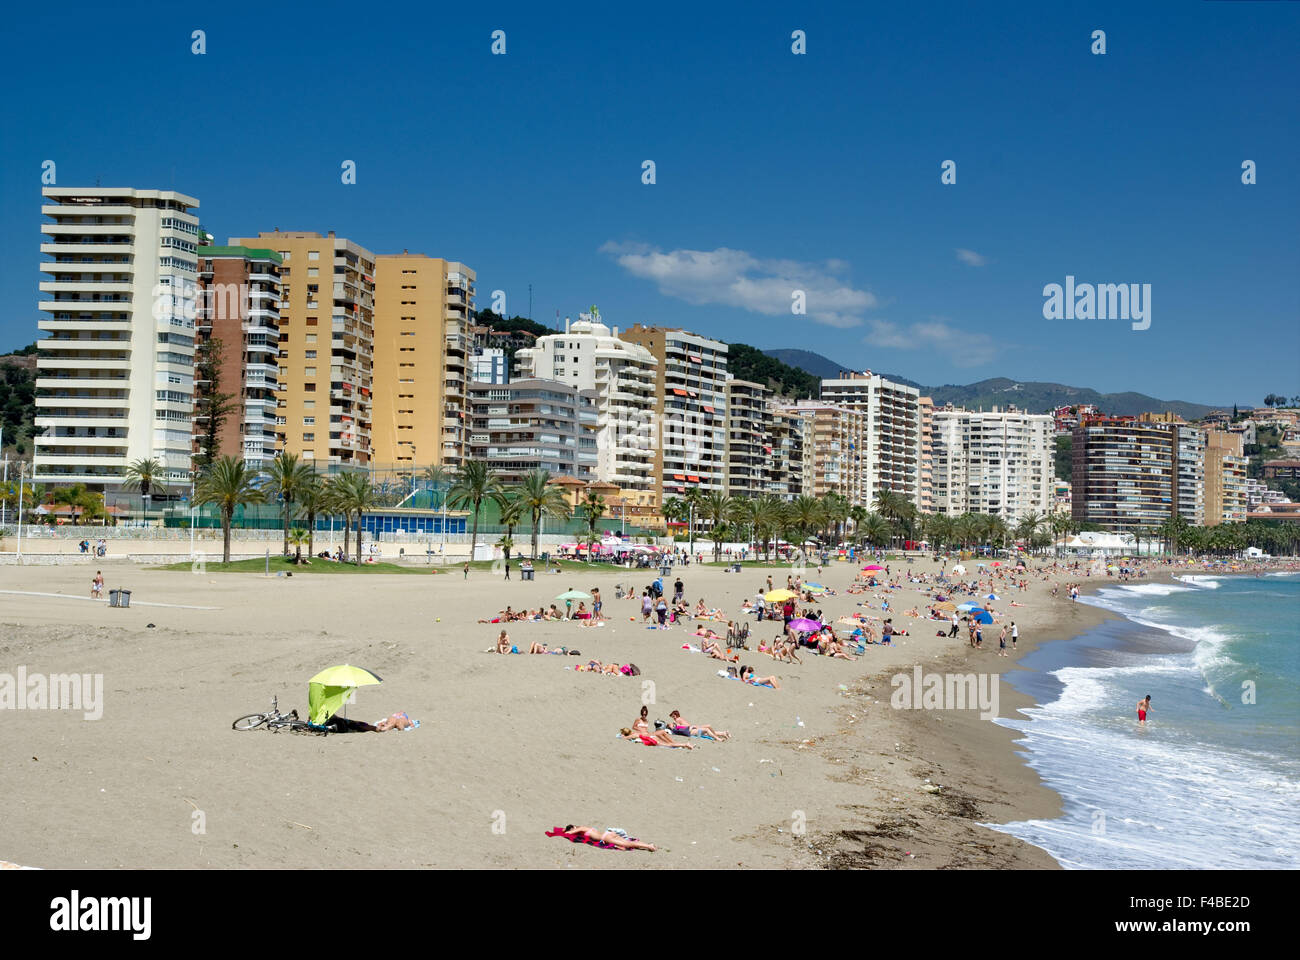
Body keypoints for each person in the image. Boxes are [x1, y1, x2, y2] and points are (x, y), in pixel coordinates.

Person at [562, 825, 656, 852]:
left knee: (629, 844)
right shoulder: (585, 828)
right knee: (626, 843)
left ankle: (649, 846)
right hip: (608, 834)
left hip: (606, 837)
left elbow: (569, 832)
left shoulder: (581, 828)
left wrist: (564, 832)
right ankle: (647, 845)